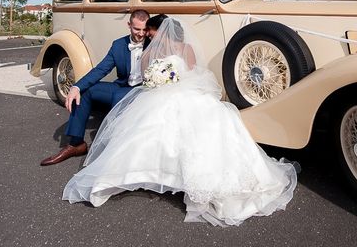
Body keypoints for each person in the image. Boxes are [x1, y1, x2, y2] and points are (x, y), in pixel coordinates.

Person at [62, 18, 297, 226]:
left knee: (165, 127)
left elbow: (178, 76)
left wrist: (165, 81)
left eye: (152, 34)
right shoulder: (172, 50)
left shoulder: (164, 51)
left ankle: (163, 174)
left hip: (175, 94)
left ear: (160, 32)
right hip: (170, 93)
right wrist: (162, 80)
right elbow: (165, 76)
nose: (150, 37)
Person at [41, 9, 150, 166]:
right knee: (85, 91)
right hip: (121, 86)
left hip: (142, 90)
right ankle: (76, 144)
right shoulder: (119, 44)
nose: (140, 34)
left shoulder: (154, 44)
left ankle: (114, 150)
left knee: (118, 99)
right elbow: (101, 69)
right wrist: (76, 87)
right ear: (129, 25)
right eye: (136, 29)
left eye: (144, 29)